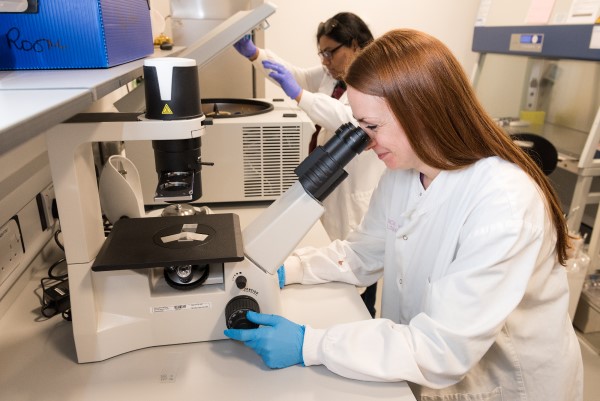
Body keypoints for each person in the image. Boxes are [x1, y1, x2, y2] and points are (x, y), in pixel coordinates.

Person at [224, 29, 584, 400]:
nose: (365, 143)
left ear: (421, 112)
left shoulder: (502, 203)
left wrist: (310, 344)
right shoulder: (404, 174)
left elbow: (443, 348)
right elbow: (363, 254)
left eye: (372, 127)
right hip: (424, 371)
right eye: (359, 128)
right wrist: (288, 268)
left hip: (508, 384)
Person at [234, 12, 385, 316]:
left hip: (356, 199)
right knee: (335, 263)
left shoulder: (375, 80)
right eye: (322, 52)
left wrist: (300, 95)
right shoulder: (333, 76)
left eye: (331, 52)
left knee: (358, 278)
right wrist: (255, 54)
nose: (325, 60)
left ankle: (362, 318)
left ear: (354, 45)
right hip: (332, 192)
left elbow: (349, 121)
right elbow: (294, 75)